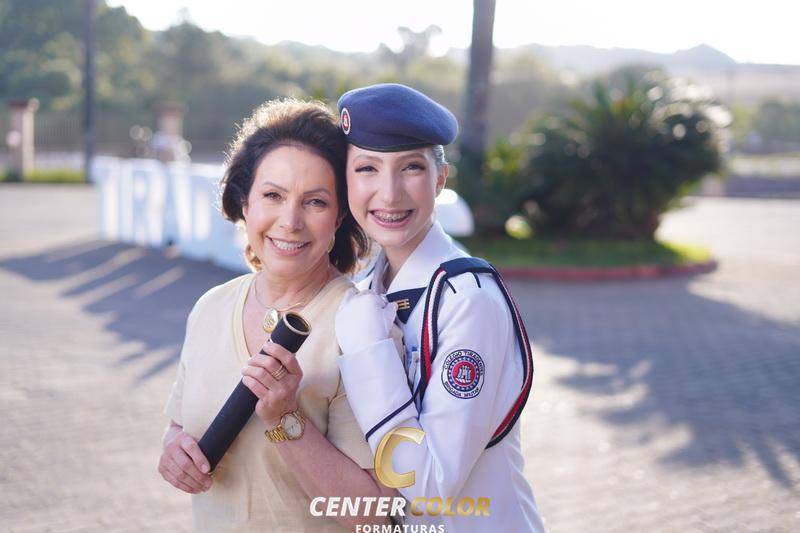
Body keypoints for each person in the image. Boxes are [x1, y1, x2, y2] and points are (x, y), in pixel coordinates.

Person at [158, 98, 395, 532]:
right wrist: (174, 450)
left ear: (339, 216)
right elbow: (178, 424)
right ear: (245, 203)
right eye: (273, 195)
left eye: (315, 202)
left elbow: (376, 516)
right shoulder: (210, 307)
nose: (290, 221)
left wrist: (287, 418)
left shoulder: (362, 326)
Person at [334, 83, 545, 532]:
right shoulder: (366, 289)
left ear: (440, 179)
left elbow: (431, 488)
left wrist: (368, 350)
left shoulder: (467, 300)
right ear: (345, 181)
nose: (389, 194)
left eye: (411, 167)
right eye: (367, 168)